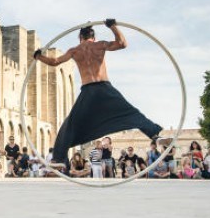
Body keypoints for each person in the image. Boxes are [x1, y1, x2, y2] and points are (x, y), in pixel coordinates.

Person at [34, 19, 167, 167]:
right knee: (131, 113)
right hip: (104, 88)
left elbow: (54, 62)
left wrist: (39, 56)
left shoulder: (74, 50)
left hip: (88, 91)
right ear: (93, 37)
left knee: (70, 124)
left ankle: (58, 158)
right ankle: (155, 135)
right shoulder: (100, 44)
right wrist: (113, 27)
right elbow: (122, 43)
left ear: (80, 38)